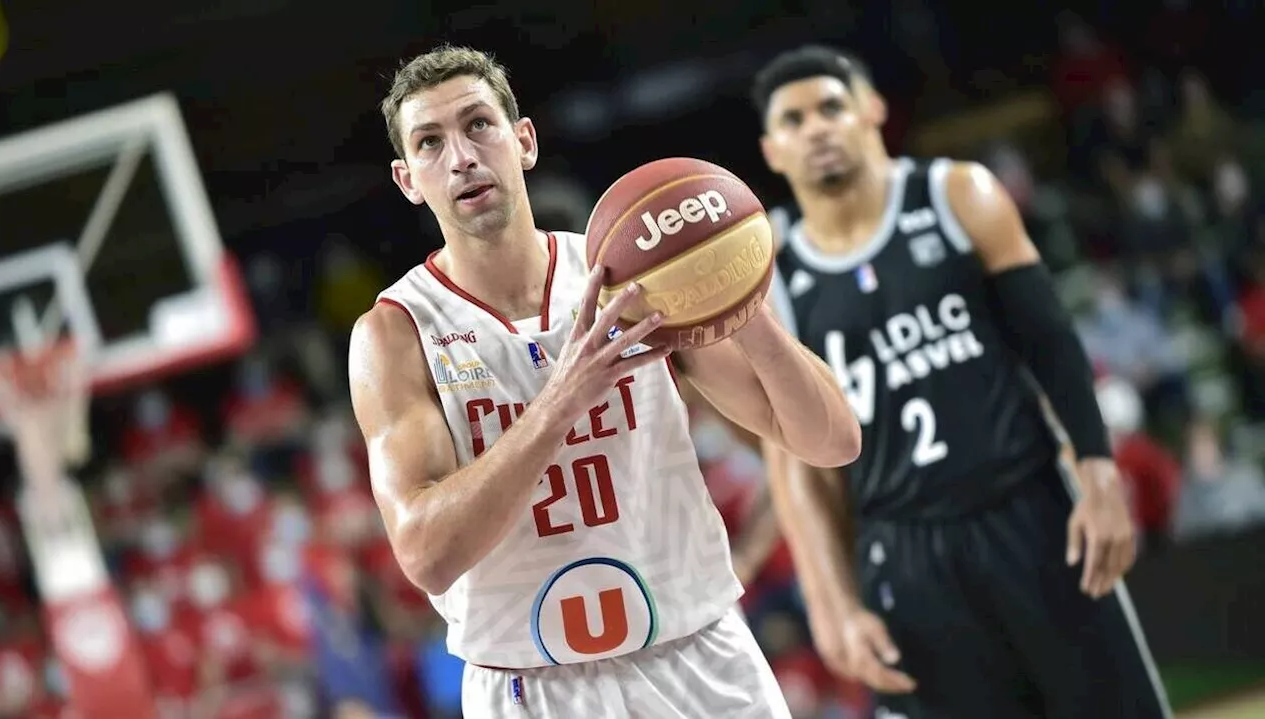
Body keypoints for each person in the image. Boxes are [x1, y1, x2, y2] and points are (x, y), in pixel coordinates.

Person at [348, 44, 862, 718]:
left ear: (522, 140)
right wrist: (561, 399)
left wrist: (745, 308)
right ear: (408, 178)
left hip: (700, 654)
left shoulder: (628, 275)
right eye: (429, 142)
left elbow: (832, 440)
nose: (461, 156)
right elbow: (427, 555)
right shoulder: (396, 332)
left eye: (478, 125)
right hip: (531, 685)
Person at [750, 45, 1172, 719]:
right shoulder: (773, 271)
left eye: (831, 106)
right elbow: (795, 464)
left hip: (1032, 515)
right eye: (794, 120)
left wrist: (1097, 472)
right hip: (903, 553)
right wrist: (832, 603)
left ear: (872, 111)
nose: (817, 128)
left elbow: (1052, 342)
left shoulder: (955, 195)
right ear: (773, 150)